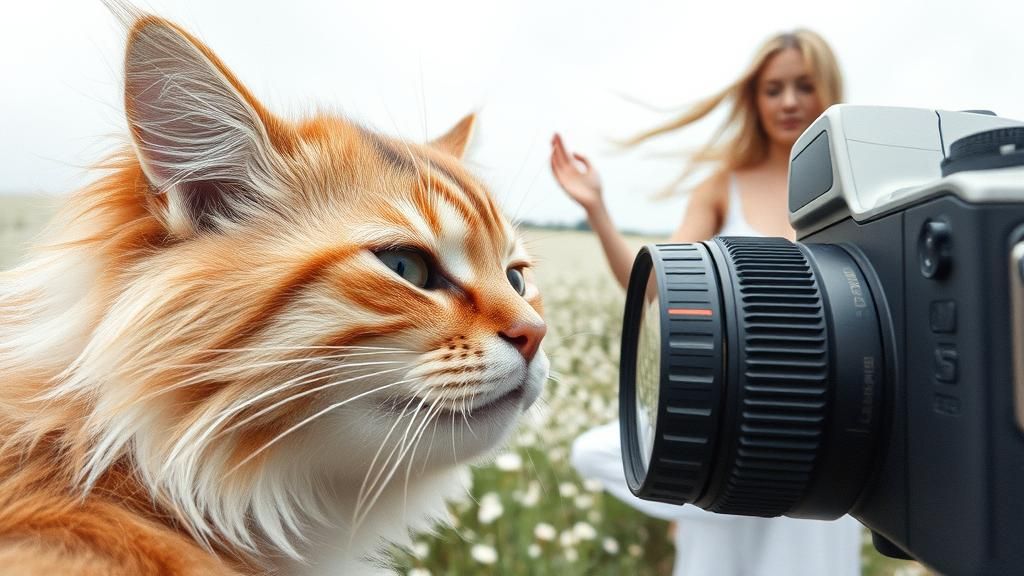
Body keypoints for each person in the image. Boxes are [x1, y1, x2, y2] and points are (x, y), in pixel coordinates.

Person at [551, 30, 862, 576]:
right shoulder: (723, 186)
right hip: (731, 429)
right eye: (773, 89)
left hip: (820, 431)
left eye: (803, 86)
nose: (788, 101)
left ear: (827, 91)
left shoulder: (858, 187)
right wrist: (597, 208)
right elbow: (656, 288)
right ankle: (708, 497)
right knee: (596, 451)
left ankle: (706, 499)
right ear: (755, 100)